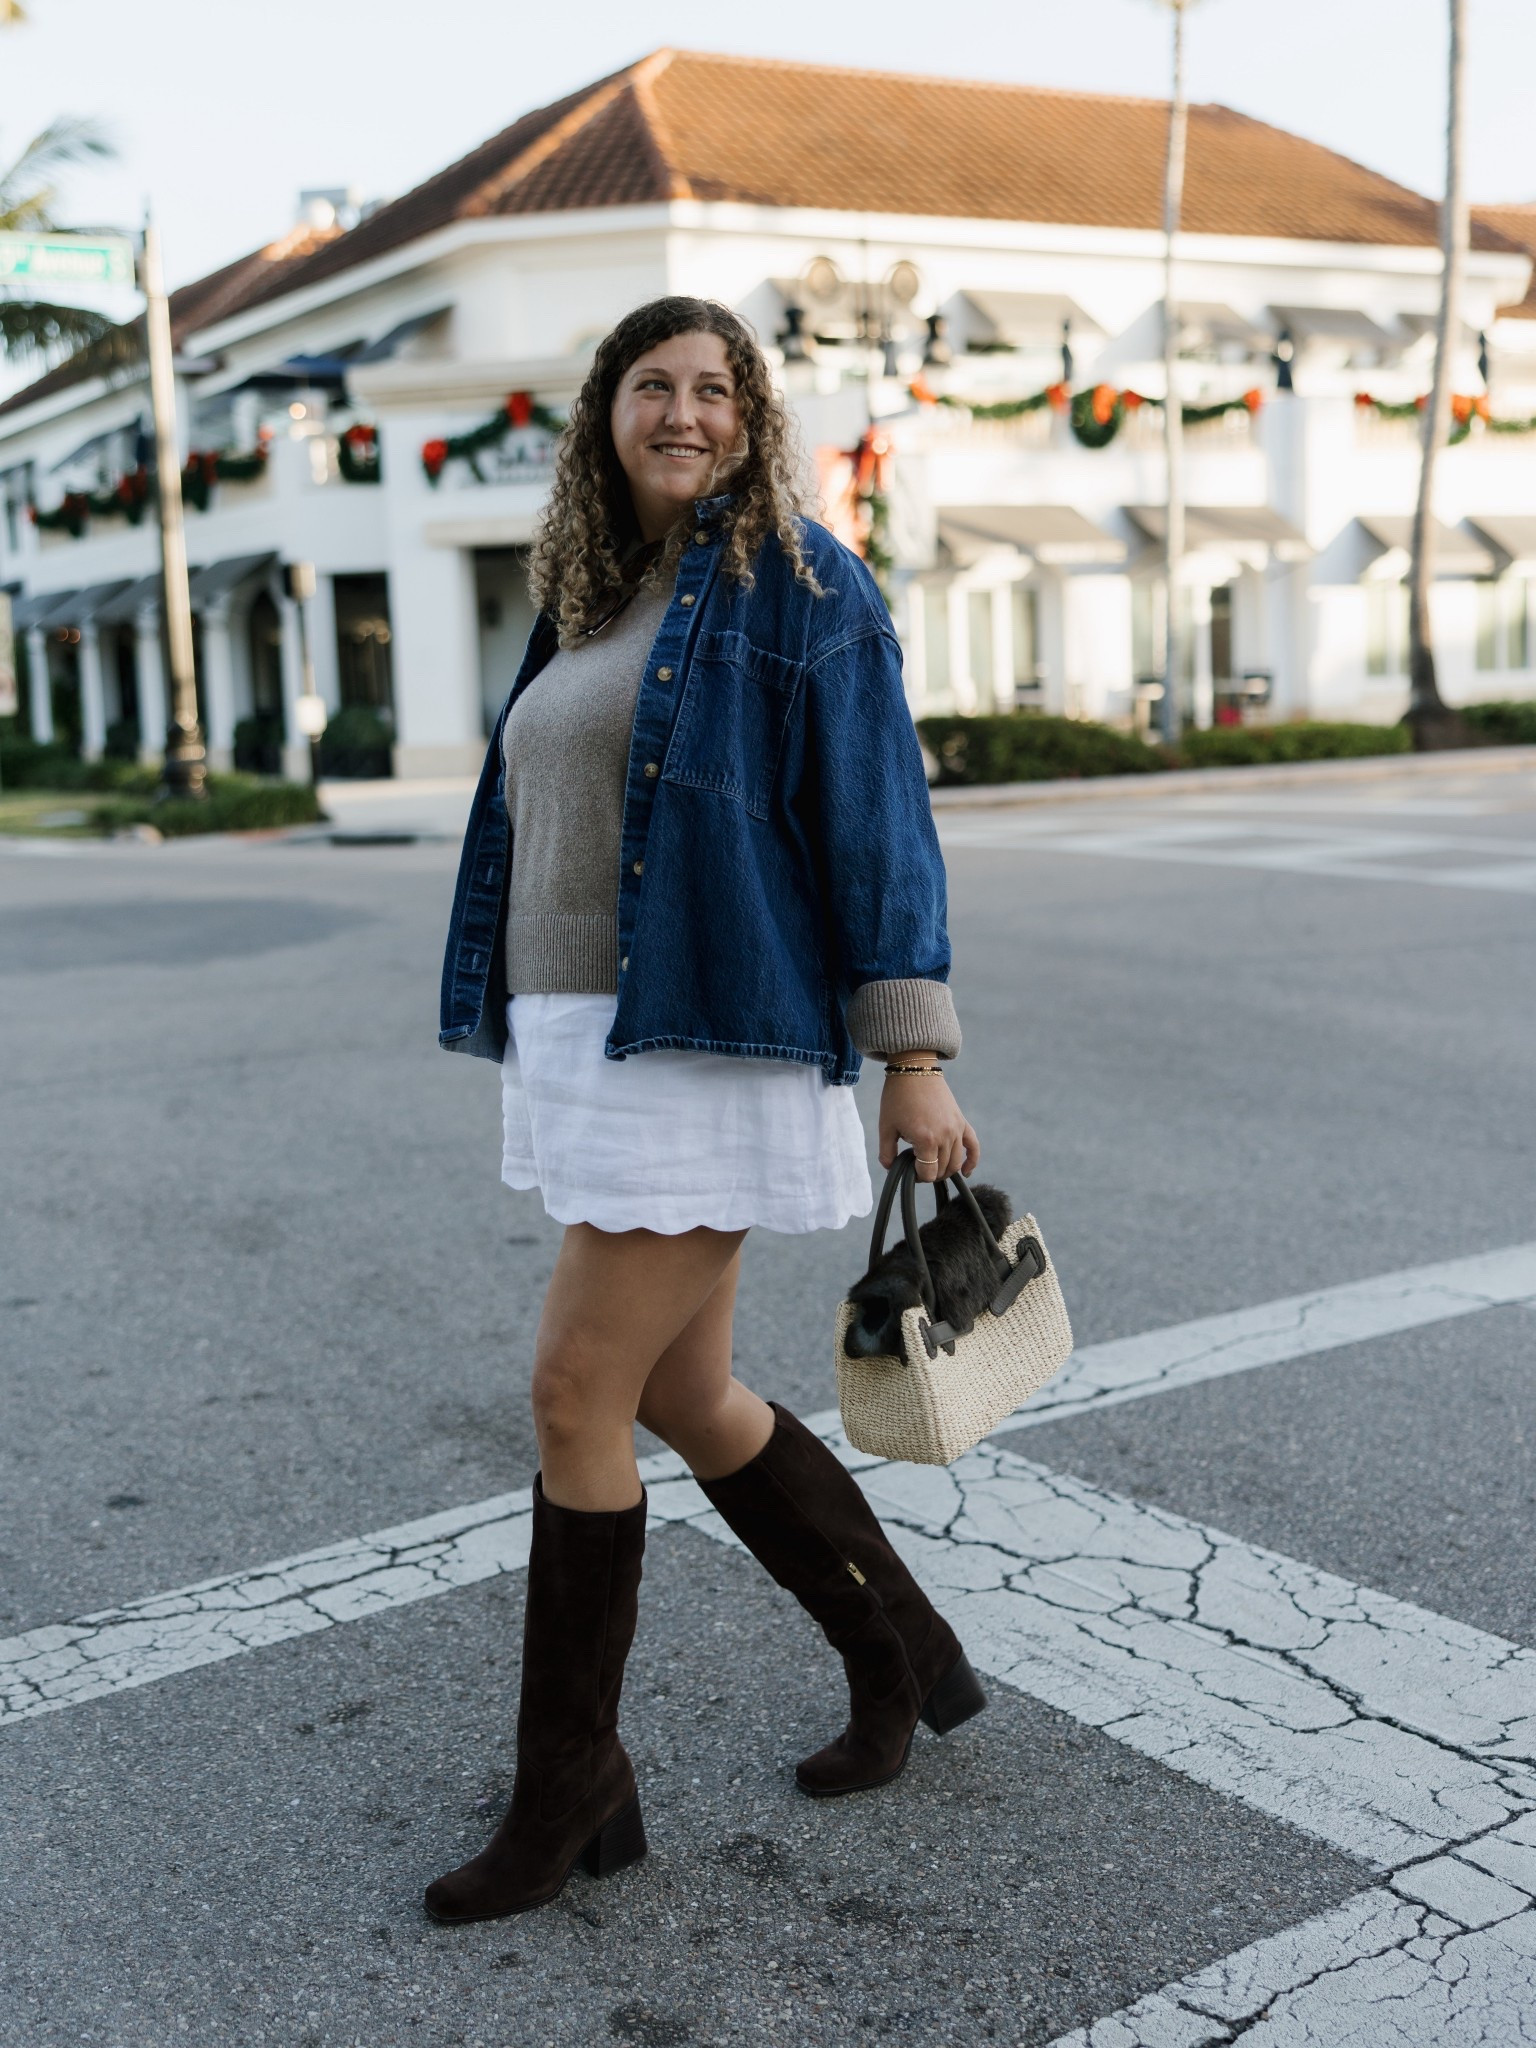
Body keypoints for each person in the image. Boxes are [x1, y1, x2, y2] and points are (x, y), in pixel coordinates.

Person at [426, 296, 985, 1926]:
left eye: (716, 390)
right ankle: (905, 1658)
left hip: (707, 1042)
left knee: (570, 1394)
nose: (685, 414)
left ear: (755, 418)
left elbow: (882, 824)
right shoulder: (589, 599)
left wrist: (915, 1049)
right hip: (592, 1035)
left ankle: (570, 1782)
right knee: (683, 1391)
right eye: (653, 387)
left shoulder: (798, 581)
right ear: (606, 416)